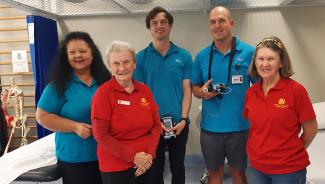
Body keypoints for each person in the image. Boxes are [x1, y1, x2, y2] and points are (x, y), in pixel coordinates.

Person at [36, 31, 110, 184]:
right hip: (75, 159)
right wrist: (74, 127)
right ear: (66, 57)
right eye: (72, 52)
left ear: (92, 53)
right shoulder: (58, 86)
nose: (78, 55)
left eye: (83, 51)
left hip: (107, 155)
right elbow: (42, 117)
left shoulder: (106, 81)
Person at [191, 6, 254, 184]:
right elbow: (195, 88)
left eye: (221, 21)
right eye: (213, 22)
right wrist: (203, 92)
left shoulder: (249, 53)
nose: (217, 25)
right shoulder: (202, 56)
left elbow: (260, 88)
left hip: (240, 128)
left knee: (239, 174)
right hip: (211, 130)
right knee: (214, 175)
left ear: (231, 23)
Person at [243, 36, 318, 184]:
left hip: (288, 171)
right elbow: (256, 129)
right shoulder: (251, 92)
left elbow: (311, 129)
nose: (265, 64)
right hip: (256, 168)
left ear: (281, 62)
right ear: (255, 62)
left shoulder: (296, 91)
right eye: (260, 59)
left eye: (271, 59)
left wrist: (291, 153)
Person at [133, 6, 193, 184]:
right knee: (155, 169)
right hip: (151, 126)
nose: (159, 26)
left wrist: (183, 119)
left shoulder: (183, 56)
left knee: (177, 167)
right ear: (149, 27)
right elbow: (139, 95)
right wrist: (154, 122)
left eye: (163, 22)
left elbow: (187, 90)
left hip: (179, 125)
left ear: (170, 26)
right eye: (154, 23)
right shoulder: (141, 58)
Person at [91, 40, 161, 184]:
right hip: (117, 167)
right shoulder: (103, 94)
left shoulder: (144, 90)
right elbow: (101, 135)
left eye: (126, 62)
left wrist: (150, 155)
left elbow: (156, 125)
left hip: (148, 162)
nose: (122, 68)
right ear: (110, 67)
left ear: (134, 64)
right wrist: (134, 157)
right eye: (116, 63)